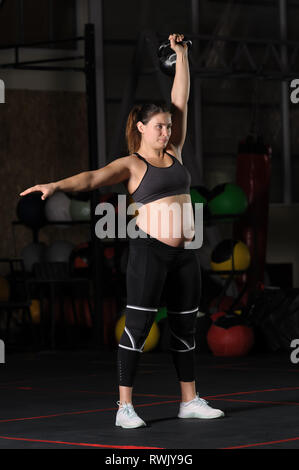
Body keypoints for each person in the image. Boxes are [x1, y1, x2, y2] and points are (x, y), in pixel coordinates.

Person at [20, 33, 224, 429]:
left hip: (185, 255)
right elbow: (93, 177)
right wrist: (56, 185)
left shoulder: (175, 153)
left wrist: (181, 55)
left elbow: (181, 97)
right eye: (160, 127)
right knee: (138, 327)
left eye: (168, 126)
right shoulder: (131, 165)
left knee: (185, 327)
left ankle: (189, 400)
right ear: (142, 128)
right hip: (150, 252)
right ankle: (124, 407)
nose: (167, 132)